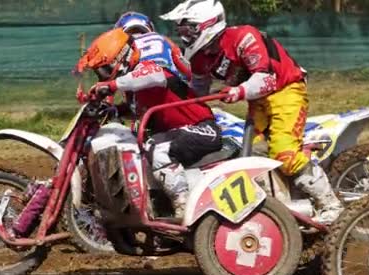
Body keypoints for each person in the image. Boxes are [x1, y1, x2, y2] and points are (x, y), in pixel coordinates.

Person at [160, 0, 343, 223]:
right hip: (257, 101)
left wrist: (238, 91)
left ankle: (331, 205)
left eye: (189, 30)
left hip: (285, 90)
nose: (185, 36)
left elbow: (265, 79)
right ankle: (278, 207)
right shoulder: (200, 57)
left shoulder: (243, 37)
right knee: (248, 156)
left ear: (208, 24)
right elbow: (198, 89)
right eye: (181, 31)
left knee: (284, 154)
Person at [75, 28, 222, 218]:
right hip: (178, 134)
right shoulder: (133, 88)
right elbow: (135, 109)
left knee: (157, 147)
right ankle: (156, 207)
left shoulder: (149, 69)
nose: (101, 75)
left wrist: (111, 85)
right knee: (138, 150)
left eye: (104, 69)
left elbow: (155, 76)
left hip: (202, 129)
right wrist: (114, 110)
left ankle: (183, 206)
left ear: (121, 59)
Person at [114, 11, 191, 83]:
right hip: (173, 86)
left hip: (141, 89)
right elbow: (187, 71)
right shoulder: (164, 40)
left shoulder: (121, 50)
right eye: (132, 32)